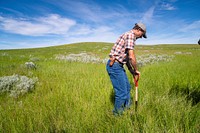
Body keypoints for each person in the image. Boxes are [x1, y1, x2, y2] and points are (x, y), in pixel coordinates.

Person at [106, 22, 147, 115]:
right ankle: (117, 115)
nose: (141, 37)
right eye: (142, 34)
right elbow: (132, 56)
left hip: (119, 66)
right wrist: (136, 69)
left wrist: (132, 71)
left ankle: (127, 109)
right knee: (121, 92)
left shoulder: (129, 36)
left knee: (127, 88)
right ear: (138, 30)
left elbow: (127, 58)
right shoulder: (130, 35)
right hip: (115, 66)